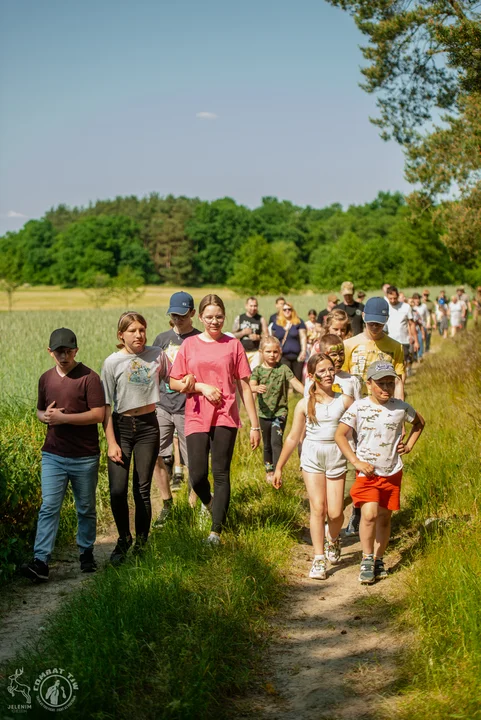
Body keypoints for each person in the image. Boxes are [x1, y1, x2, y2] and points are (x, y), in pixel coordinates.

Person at [169, 294, 260, 544]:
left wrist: (254, 425)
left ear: (225, 317)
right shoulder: (189, 345)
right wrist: (200, 387)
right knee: (197, 475)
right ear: (200, 317)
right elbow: (174, 381)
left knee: (221, 473)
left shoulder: (233, 345)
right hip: (197, 414)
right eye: (209, 317)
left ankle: (216, 531)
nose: (214, 321)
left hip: (225, 415)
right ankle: (210, 504)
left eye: (219, 316)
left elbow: (244, 386)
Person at [21, 328, 105, 582]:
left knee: (86, 507)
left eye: (68, 351)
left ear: (76, 351)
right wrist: (46, 417)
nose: (64, 356)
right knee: (49, 507)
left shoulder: (89, 378)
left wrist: (63, 418)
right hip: (53, 455)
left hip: (85, 456)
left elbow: (98, 414)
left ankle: (86, 553)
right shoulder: (45, 379)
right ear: (50, 352)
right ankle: (41, 561)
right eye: (59, 351)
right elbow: (39, 412)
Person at [101, 312, 183, 565]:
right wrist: (111, 442)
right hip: (121, 426)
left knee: (142, 489)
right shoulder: (112, 363)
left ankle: (142, 543)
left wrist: (193, 383)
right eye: (133, 330)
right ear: (121, 335)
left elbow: (174, 380)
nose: (139, 335)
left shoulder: (157, 354)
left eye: (142, 329)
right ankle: (124, 538)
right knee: (117, 490)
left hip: (149, 426)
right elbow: (105, 407)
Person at [335, 361, 425, 584]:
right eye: (380, 383)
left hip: (392, 471)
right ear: (368, 384)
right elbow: (340, 435)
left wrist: (410, 445)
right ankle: (366, 558)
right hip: (368, 472)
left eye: (390, 383)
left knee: (384, 518)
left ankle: (378, 559)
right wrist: (355, 462)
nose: (385, 388)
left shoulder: (401, 407)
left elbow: (420, 423)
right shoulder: (359, 407)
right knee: (369, 515)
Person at [273, 353, 353, 580]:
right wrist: (279, 467)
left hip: (336, 455)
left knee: (336, 512)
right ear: (312, 376)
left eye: (330, 369)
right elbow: (292, 438)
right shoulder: (303, 404)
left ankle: (333, 539)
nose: (328, 374)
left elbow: (360, 428)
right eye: (322, 371)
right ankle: (319, 559)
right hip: (312, 456)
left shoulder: (345, 400)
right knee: (318, 508)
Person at [151, 292, 201, 527]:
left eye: (182, 315)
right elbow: (151, 372)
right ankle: (167, 504)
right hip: (162, 405)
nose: (177, 319)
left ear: (192, 313)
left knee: (194, 460)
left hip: (189, 408)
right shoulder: (161, 339)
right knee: (157, 455)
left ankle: (194, 504)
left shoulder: (201, 339)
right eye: (173, 314)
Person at [250, 336, 304, 483]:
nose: (272, 355)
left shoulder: (283, 369)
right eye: (268, 351)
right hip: (263, 413)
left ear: (279, 352)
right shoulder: (258, 371)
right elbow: (250, 386)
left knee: (276, 441)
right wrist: (255, 388)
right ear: (261, 352)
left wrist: (308, 393)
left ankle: (278, 471)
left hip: (280, 413)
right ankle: (269, 470)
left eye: (275, 351)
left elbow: (296, 384)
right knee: (267, 443)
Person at [343, 297, 405, 398]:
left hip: (385, 404)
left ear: (387, 319)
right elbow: (343, 378)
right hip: (356, 403)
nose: (375, 327)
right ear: (363, 316)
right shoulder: (348, 345)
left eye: (379, 323)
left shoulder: (396, 347)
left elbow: (398, 381)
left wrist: (400, 408)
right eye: (371, 323)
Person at [269, 302, 307, 382]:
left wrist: (303, 351)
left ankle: (297, 394)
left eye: (289, 309)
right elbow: (273, 339)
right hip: (283, 355)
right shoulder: (277, 323)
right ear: (281, 311)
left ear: (292, 310)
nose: (287, 311)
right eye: (284, 309)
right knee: (284, 379)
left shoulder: (299, 322)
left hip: (297, 356)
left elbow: (303, 337)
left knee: (297, 379)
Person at [386, 286, 418, 376]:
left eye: (395, 298)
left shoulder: (406, 307)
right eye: (390, 298)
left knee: (401, 366)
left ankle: (401, 388)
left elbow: (412, 324)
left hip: (403, 341)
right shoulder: (385, 307)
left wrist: (415, 341)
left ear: (398, 296)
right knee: (390, 366)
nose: (392, 300)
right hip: (389, 341)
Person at [232, 296, 268, 370]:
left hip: (256, 352)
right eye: (251, 306)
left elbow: (267, 336)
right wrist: (242, 332)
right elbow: (233, 335)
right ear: (246, 306)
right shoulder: (239, 318)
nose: (253, 308)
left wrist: (258, 337)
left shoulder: (261, 319)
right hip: (242, 352)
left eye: (255, 306)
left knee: (254, 374)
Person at [411, 293, 426, 362]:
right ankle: (414, 358)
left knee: (419, 343)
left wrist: (422, 333)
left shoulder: (416, 312)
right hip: (410, 332)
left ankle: (419, 356)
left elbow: (420, 323)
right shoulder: (408, 310)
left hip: (417, 330)